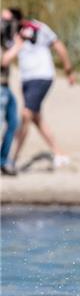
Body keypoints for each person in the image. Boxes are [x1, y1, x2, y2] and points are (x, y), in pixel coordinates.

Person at [0, 8, 75, 170]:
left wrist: (68, 70)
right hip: (26, 80)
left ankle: (12, 159)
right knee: (36, 118)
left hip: (41, 77)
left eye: (6, 19)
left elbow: (59, 46)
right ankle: (59, 154)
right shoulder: (9, 34)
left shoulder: (37, 27)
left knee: (25, 115)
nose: (3, 23)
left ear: (16, 19)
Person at [1, 9, 21, 175]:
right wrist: (19, 44)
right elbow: (4, 61)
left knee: (14, 122)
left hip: (5, 88)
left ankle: (3, 161)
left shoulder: (5, 39)